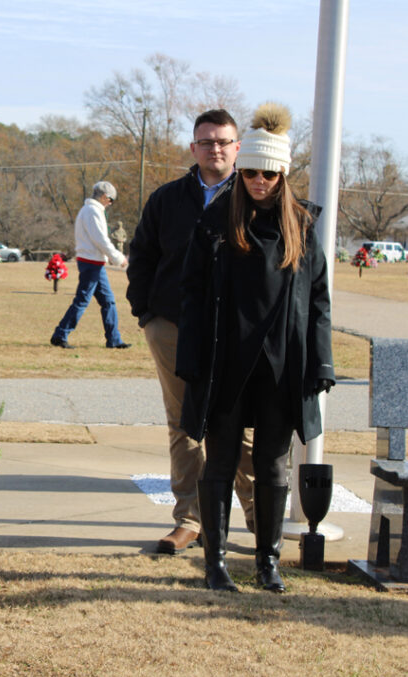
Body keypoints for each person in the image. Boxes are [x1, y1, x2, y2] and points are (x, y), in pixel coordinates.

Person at [176, 103, 334, 593]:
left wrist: (321, 363)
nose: (258, 181)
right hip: (228, 363)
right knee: (220, 460)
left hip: (282, 365)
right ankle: (215, 563)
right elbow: (193, 295)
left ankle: (268, 562)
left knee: (271, 462)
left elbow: (319, 301)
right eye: (250, 173)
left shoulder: (303, 226)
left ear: (283, 173)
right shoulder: (216, 222)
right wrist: (193, 361)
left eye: (268, 173)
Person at [126, 109, 256, 555]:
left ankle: (261, 517)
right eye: (206, 142)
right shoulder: (168, 198)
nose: (214, 149)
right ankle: (190, 520)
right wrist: (146, 312)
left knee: (241, 423)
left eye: (223, 142)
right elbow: (142, 253)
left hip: (236, 332)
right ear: (193, 147)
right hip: (172, 326)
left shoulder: (255, 196)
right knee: (185, 424)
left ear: (238, 148)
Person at [50, 181, 130, 349]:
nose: (110, 203)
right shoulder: (93, 211)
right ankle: (60, 334)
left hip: (93, 262)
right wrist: (118, 258)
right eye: (110, 200)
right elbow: (100, 240)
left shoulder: (89, 210)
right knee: (83, 300)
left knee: (108, 301)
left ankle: (114, 339)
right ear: (103, 197)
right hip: (91, 262)